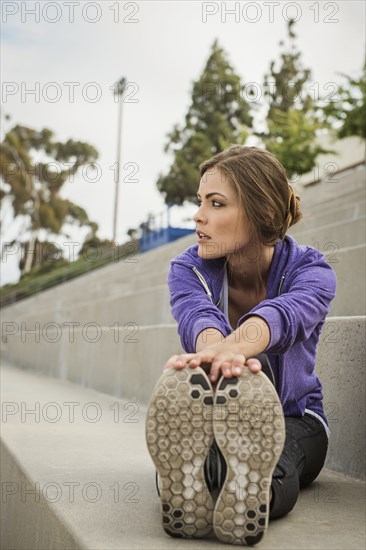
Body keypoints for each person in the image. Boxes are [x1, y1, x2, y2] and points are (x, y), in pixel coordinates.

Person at [145, 145, 337, 546]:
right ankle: (186, 487)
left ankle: (253, 497)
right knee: (196, 457)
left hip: (295, 419)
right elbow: (196, 315)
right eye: (200, 202)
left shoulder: (312, 269)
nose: (198, 215)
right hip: (213, 415)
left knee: (275, 462)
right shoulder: (187, 267)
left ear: (260, 212)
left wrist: (234, 349)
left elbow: (287, 315)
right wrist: (215, 351)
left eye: (216, 203)